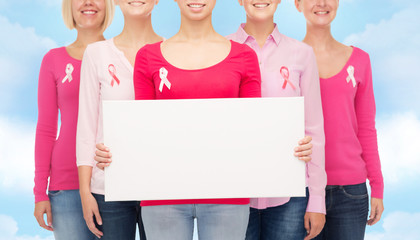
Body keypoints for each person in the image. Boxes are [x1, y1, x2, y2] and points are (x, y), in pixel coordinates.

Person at [227, 1, 326, 240]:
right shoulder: (220, 50)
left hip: (290, 196)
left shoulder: (301, 53)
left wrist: (317, 200)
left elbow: (314, 128)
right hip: (234, 193)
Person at [295, 0, 385, 239]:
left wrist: (377, 186)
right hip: (300, 190)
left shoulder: (360, 60)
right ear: (297, 4)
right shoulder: (289, 61)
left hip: (351, 192)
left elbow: (366, 128)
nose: (322, 3)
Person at [76, 0, 163, 239]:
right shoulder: (96, 53)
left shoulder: (171, 51)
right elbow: (86, 127)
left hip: (159, 185)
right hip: (108, 188)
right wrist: (85, 191)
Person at [34, 0, 114, 239]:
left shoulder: (120, 56)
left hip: (111, 180)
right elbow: (46, 130)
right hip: (66, 185)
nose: (88, 2)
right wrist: (40, 193)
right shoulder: (53, 60)